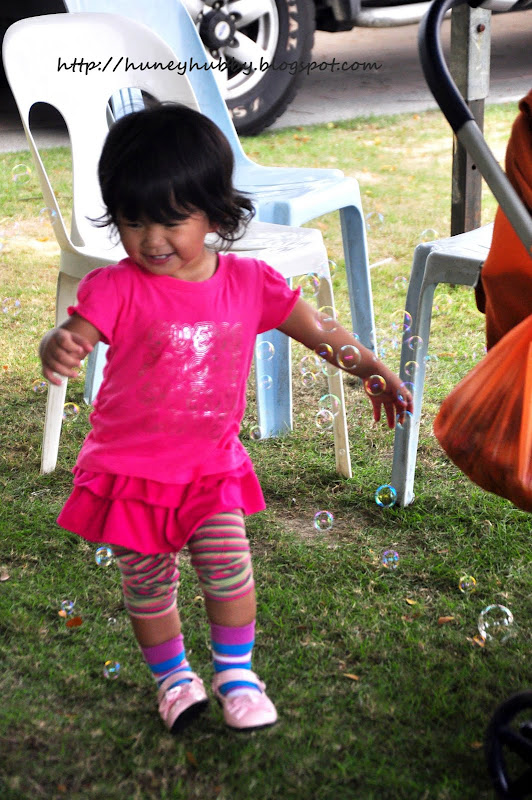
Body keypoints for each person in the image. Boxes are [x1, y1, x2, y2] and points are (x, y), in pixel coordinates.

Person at [39, 103, 412, 735]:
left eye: (171, 220)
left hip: (210, 466)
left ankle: (236, 675)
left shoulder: (248, 282)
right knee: (148, 585)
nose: (151, 239)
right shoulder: (117, 287)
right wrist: (59, 345)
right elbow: (74, 331)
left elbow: (318, 330)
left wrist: (369, 365)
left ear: (215, 212)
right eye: (133, 221)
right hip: (131, 471)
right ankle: (174, 679)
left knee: (229, 570)